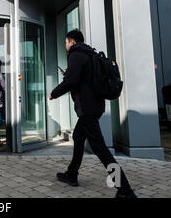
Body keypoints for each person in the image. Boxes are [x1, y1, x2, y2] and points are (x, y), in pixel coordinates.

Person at [49, 30, 136, 198]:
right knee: (79, 137)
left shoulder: (76, 55)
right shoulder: (90, 53)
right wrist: (70, 74)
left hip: (87, 109)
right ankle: (72, 174)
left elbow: (71, 81)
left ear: (72, 42)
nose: (65, 45)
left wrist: (54, 93)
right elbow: (83, 78)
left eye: (66, 42)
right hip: (95, 106)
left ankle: (125, 190)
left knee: (101, 149)